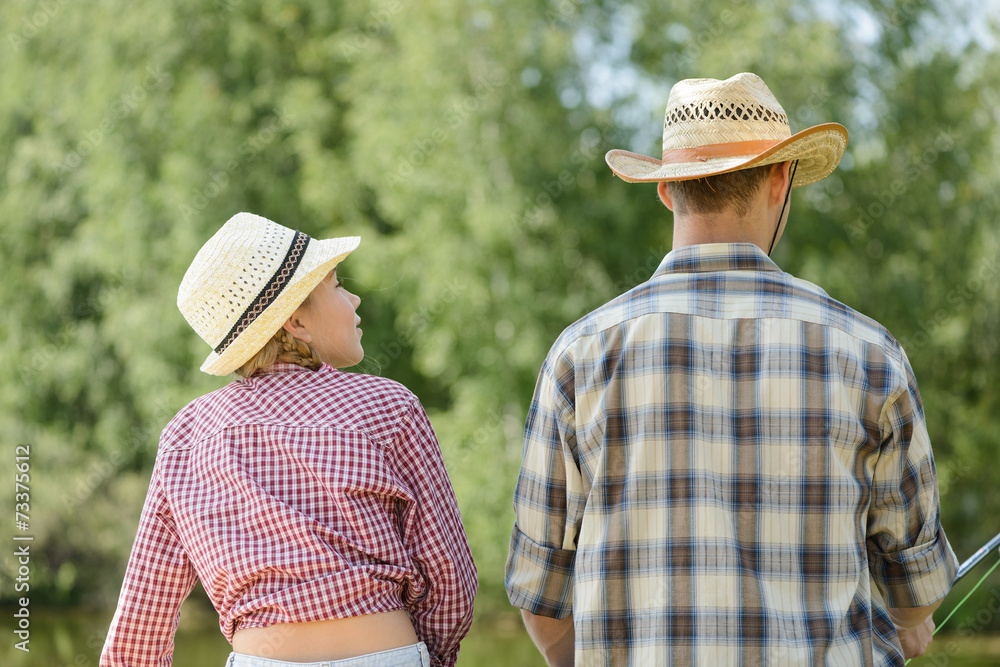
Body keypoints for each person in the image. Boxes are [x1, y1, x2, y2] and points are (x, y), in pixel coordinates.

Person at [505, 73, 957, 665]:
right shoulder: (870, 355)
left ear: (667, 190)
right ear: (778, 180)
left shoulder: (579, 356)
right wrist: (909, 622)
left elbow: (541, 596)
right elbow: (916, 590)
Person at [101, 212, 477, 667]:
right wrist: (432, 657)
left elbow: (146, 609)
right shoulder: (387, 406)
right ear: (296, 321)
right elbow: (449, 576)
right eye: (338, 285)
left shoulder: (187, 433)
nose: (355, 298)